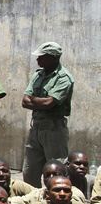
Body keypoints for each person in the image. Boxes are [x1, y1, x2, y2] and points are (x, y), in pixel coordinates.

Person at [22, 42, 75, 188]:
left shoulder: (64, 78)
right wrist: (40, 101)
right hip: (36, 129)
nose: (38, 60)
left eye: (42, 57)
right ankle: (32, 202)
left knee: (56, 169)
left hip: (54, 130)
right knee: (29, 171)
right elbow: (25, 101)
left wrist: (35, 99)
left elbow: (49, 103)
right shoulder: (38, 74)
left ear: (54, 58)